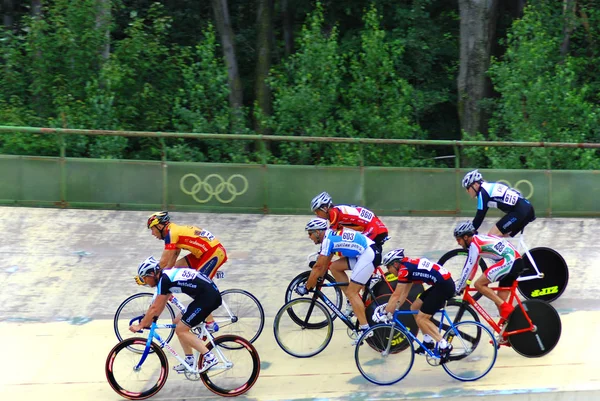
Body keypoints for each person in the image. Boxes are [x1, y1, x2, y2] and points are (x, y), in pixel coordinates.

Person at [130, 256, 222, 373]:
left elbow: (154, 307)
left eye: (145, 278)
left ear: (152, 274)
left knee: (181, 330)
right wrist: (152, 319)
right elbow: (161, 304)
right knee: (177, 322)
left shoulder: (165, 280)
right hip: (205, 296)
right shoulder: (165, 277)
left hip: (207, 298)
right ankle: (189, 359)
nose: (145, 282)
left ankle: (209, 357)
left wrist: (141, 325)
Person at [145, 211, 227, 332]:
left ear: (160, 226)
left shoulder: (172, 233)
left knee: (199, 286)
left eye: (152, 229)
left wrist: (148, 275)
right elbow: (172, 260)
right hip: (202, 253)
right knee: (176, 270)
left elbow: (163, 261)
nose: (152, 233)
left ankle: (210, 323)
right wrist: (165, 279)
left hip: (213, 252)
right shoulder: (172, 231)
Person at [310, 192, 389, 316]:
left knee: (362, 252)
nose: (316, 215)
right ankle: (358, 293)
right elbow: (339, 239)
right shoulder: (336, 212)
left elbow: (329, 240)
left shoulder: (333, 213)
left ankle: (370, 278)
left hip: (373, 229)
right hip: (373, 227)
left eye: (316, 211)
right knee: (349, 251)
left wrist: (322, 256)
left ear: (324, 208)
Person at [303, 217, 382, 338]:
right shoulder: (329, 237)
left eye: (310, 233)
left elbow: (318, 267)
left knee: (352, 292)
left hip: (368, 255)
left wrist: (307, 287)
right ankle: (352, 302)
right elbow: (323, 266)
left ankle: (365, 329)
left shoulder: (328, 241)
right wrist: (316, 277)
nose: (309, 237)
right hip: (365, 253)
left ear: (317, 232)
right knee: (335, 267)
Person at [372, 249, 455, 359]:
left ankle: (444, 345)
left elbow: (396, 295)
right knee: (414, 307)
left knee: (422, 318)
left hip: (443, 286)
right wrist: (392, 310)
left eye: (388, 267)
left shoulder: (404, 270)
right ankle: (428, 342)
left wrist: (385, 313)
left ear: (395, 264)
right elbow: (403, 295)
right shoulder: (408, 268)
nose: (388, 270)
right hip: (441, 284)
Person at [453, 221, 525, 322]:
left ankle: (506, 308)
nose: (458, 243)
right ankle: (507, 335)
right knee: (500, 304)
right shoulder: (479, 239)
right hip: (516, 262)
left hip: (510, 261)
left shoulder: (474, 244)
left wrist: (458, 287)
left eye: (458, 239)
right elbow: (474, 267)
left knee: (478, 285)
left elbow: (468, 268)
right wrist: (465, 283)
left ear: (465, 237)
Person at [462, 170, 536, 237]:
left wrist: (470, 230)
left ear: (475, 185)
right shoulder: (487, 188)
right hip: (526, 208)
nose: (467, 191)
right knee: (503, 238)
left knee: (491, 237)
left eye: (468, 188)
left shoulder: (483, 192)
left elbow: (480, 215)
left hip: (520, 210)